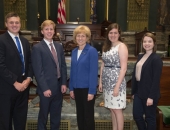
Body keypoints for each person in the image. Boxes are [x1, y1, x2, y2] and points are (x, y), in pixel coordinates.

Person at [31, 20, 67, 130]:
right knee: (43, 117)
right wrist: (45, 88)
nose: (49, 31)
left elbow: (63, 66)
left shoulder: (59, 46)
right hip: (46, 88)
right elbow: (38, 71)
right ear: (42, 31)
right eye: (47, 29)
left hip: (58, 87)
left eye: (51, 29)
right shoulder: (37, 48)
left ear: (54, 31)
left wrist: (64, 83)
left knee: (56, 117)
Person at [0, 12, 33, 130]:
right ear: (6, 24)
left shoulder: (24, 41)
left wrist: (28, 79)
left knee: (20, 121)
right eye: (11, 22)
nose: (14, 25)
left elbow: (29, 62)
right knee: (5, 123)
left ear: (20, 24)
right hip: (7, 89)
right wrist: (15, 82)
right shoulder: (1, 40)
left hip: (23, 88)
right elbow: (1, 65)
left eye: (17, 22)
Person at [99, 23, 128, 130]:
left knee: (117, 109)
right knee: (111, 108)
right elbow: (103, 64)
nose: (113, 35)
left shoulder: (122, 46)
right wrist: (101, 81)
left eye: (115, 33)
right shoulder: (106, 47)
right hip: (107, 82)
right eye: (111, 33)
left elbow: (124, 68)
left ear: (119, 34)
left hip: (117, 82)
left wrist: (117, 86)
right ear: (108, 34)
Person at [69, 25, 98, 130]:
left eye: (83, 36)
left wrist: (92, 91)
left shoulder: (92, 51)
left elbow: (93, 72)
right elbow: (72, 71)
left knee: (88, 117)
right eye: (78, 36)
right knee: (80, 116)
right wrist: (71, 88)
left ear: (87, 38)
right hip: (77, 88)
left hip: (87, 89)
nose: (80, 38)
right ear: (75, 37)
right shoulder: (74, 52)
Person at [131, 32, 163, 130]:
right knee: (137, 115)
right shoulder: (141, 56)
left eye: (149, 41)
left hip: (149, 94)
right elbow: (135, 75)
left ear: (154, 43)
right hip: (138, 93)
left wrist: (151, 97)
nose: (147, 43)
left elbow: (155, 80)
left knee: (150, 118)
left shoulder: (156, 59)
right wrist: (134, 92)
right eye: (145, 41)